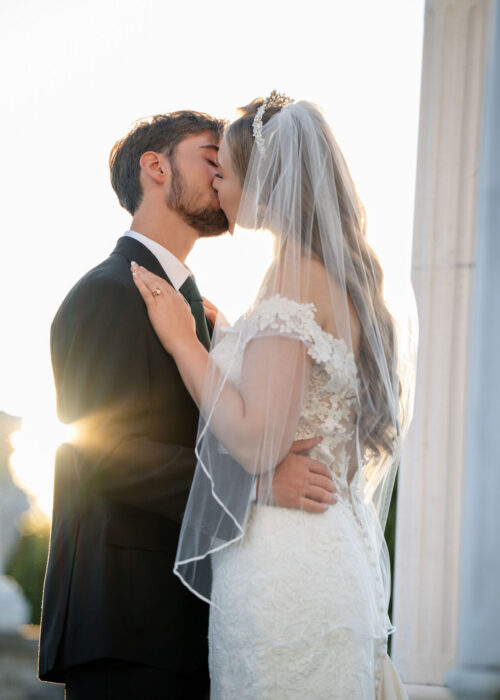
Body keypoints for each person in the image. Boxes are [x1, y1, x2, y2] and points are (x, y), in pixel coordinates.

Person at [38, 110, 337, 700]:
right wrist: (254, 483)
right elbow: (104, 452)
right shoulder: (105, 293)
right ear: (155, 167)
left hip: (198, 618)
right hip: (126, 624)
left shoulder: (195, 305)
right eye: (210, 156)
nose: (227, 171)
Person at [132, 93, 417, 698]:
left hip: (287, 562)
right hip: (322, 544)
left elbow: (260, 441)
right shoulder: (327, 275)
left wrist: (188, 345)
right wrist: (237, 337)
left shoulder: (293, 275)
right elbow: (294, 387)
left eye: (226, 173)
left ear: (265, 184)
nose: (219, 186)